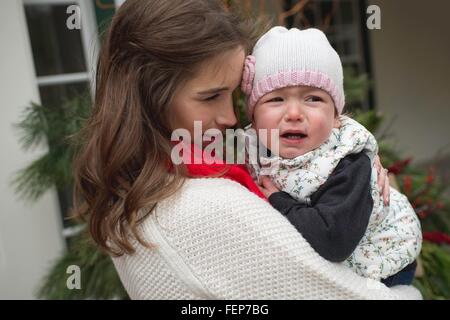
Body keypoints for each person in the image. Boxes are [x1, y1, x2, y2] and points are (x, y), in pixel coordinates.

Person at [73, 0, 422, 299]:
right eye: (211, 96)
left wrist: (354, 156)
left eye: (234, 96)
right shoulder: (201, 208)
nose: (230, 117)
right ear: (150, 96)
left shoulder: (141, 190)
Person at [241, 27, 422, 287]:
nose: (294, 113)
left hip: (381, 263)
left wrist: (279, 200)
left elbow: (332, 241)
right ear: (254, 119)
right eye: (276, 99)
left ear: (336, 117)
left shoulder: (346, 163)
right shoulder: (249, 147)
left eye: (313, 99)